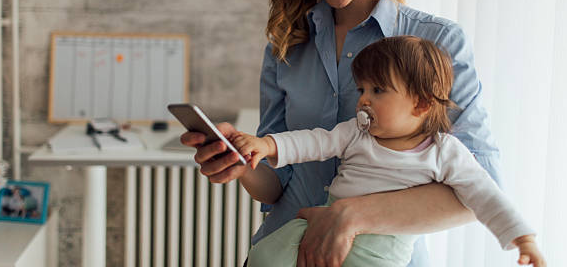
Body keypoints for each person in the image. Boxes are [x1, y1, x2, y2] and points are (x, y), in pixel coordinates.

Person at [181, 0, 503, 266]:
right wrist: (241, 162)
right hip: (284, 252)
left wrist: (349, 216)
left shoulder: (438, 42)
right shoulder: (286, 46)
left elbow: (481, 190)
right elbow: (275, 186)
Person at [231, 36, 545, 267]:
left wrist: (523, 239)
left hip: (383, 246)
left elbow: (487, 195)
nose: (363, 100)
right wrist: (266, 145)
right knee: (264, 256)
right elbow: (313, 141)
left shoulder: (444, 152)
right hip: (322, 222)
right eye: (362, 89)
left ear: (421, 103)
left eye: (378, 90)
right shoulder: (357, 132)